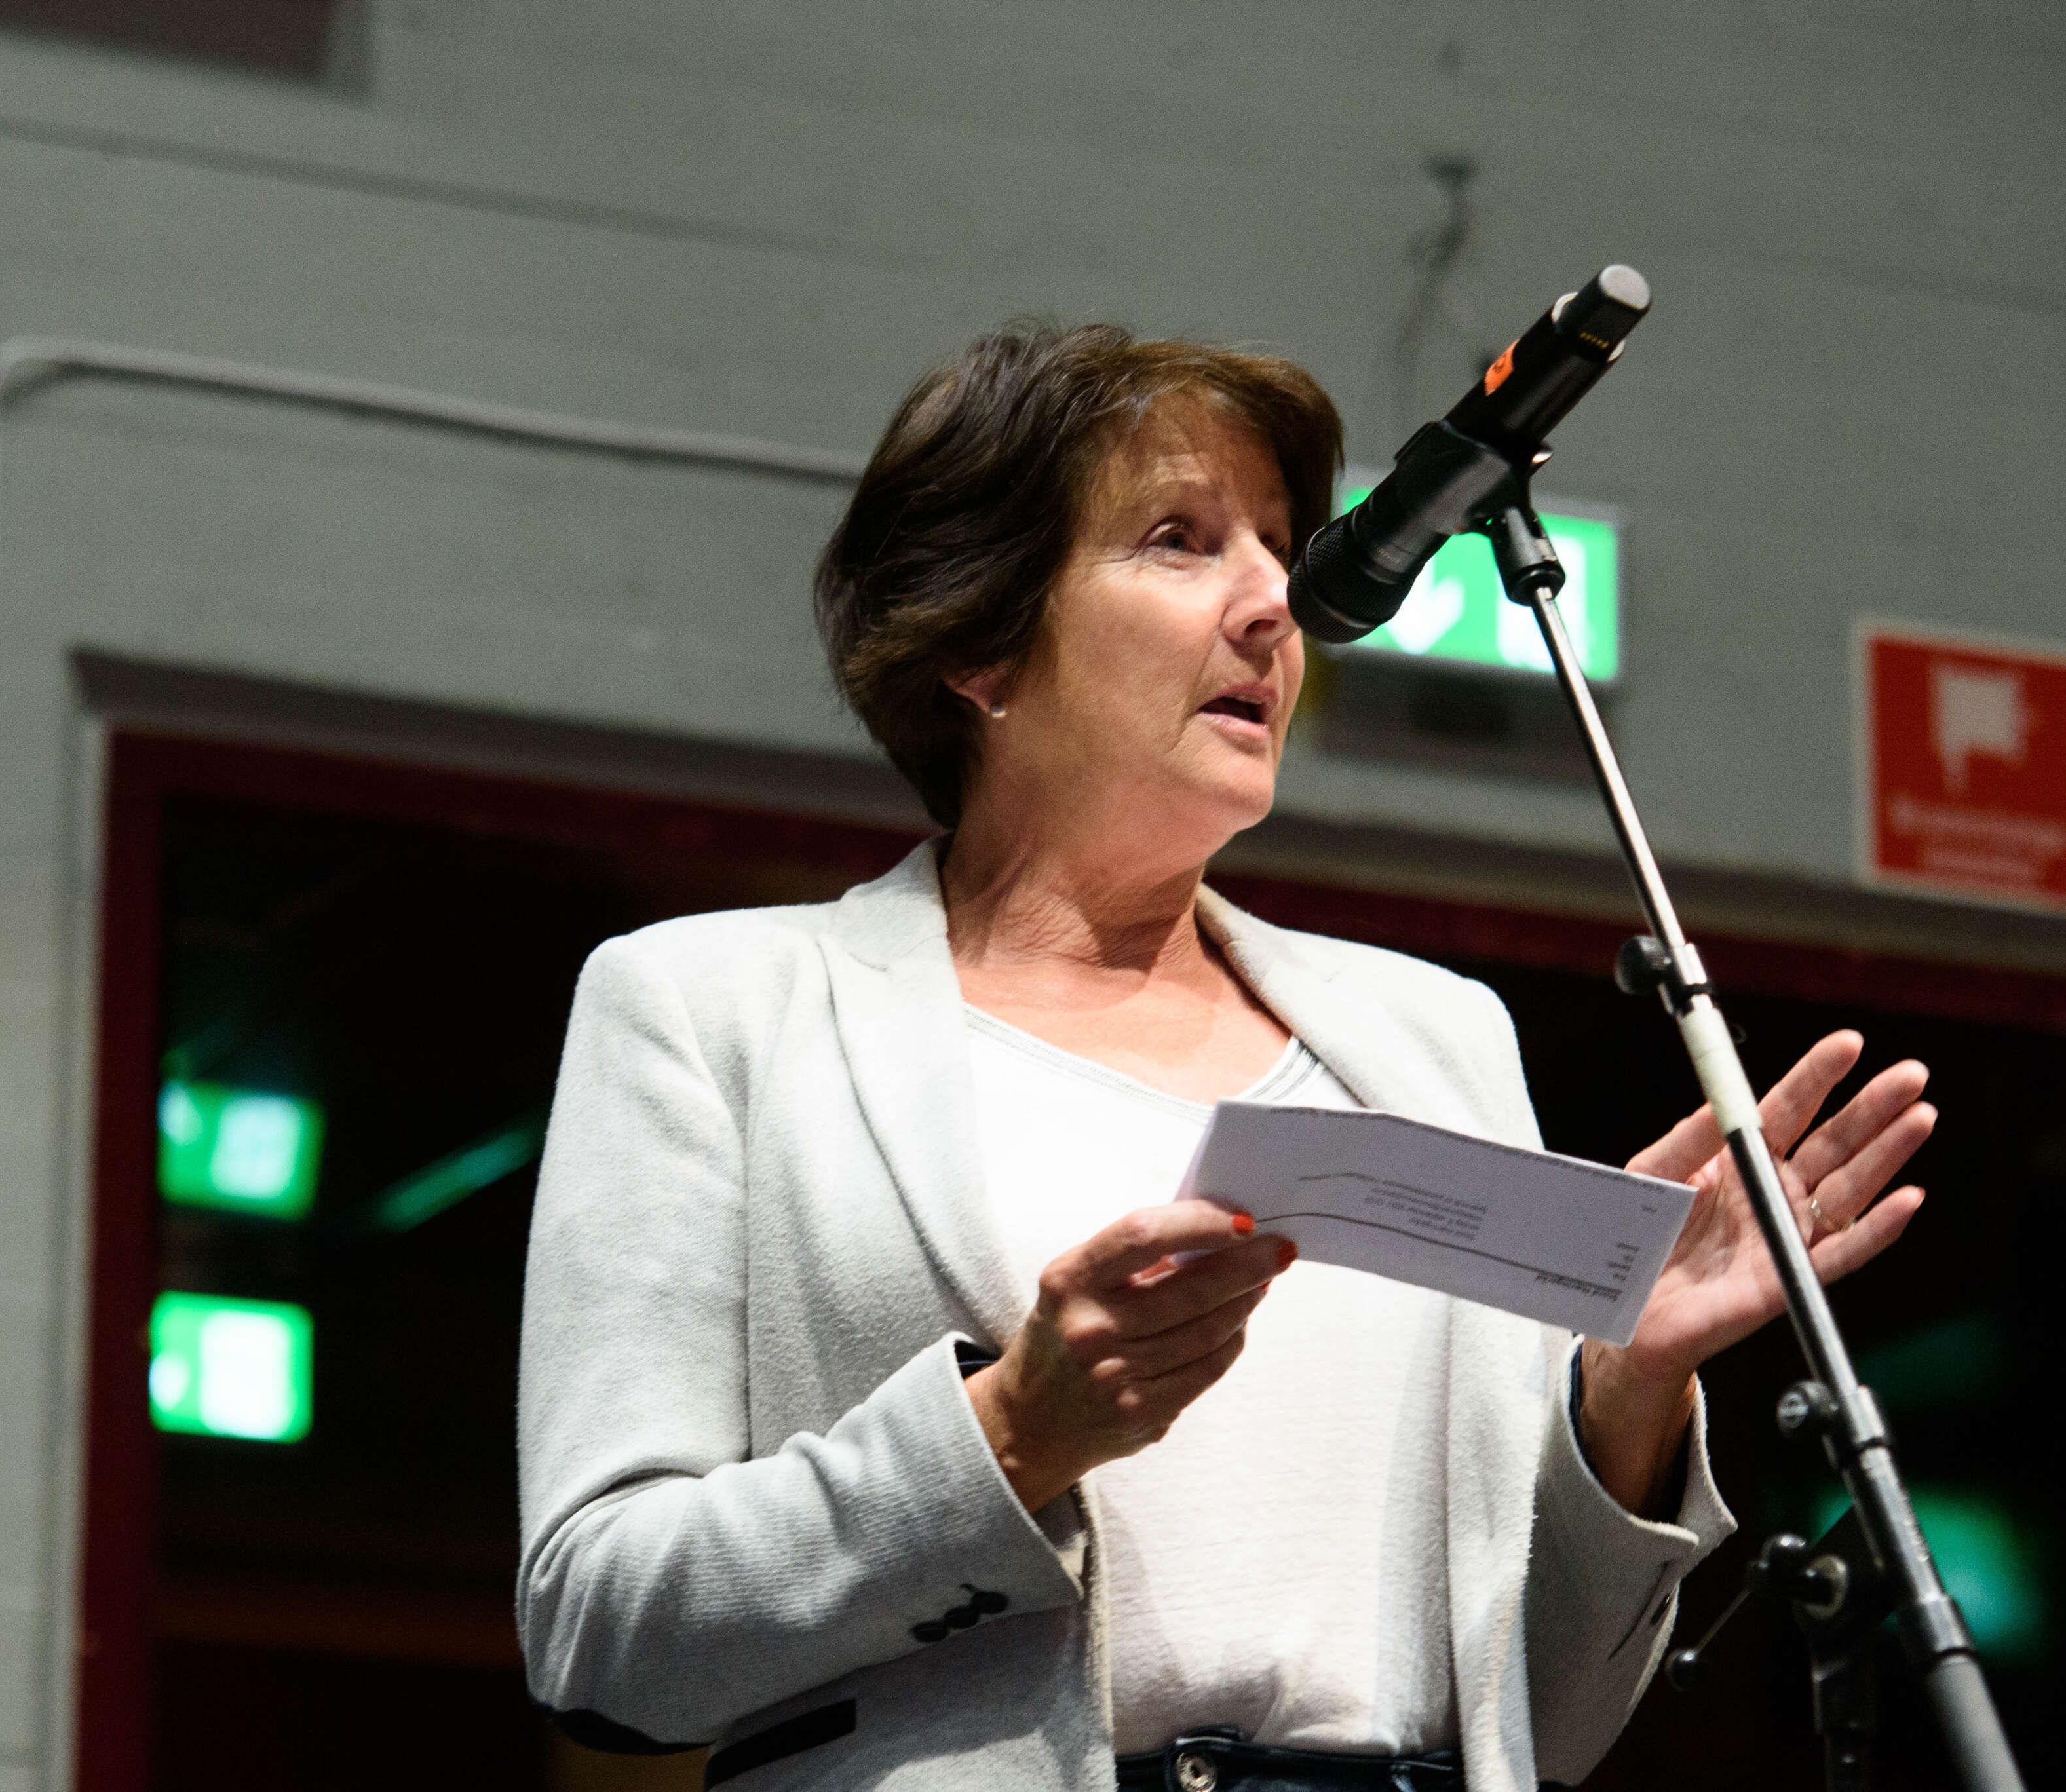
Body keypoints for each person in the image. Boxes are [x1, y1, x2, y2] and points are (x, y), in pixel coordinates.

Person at [516, 323, 1933, 1792]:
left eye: (1277, 544)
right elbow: (597, 1630)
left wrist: (1623, 1392)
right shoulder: (713, 1012)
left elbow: (1546, 1723)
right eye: (1180, 542)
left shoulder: (1431, 1042)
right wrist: (1009, 1436)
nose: (1274, 603)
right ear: (978, 646)